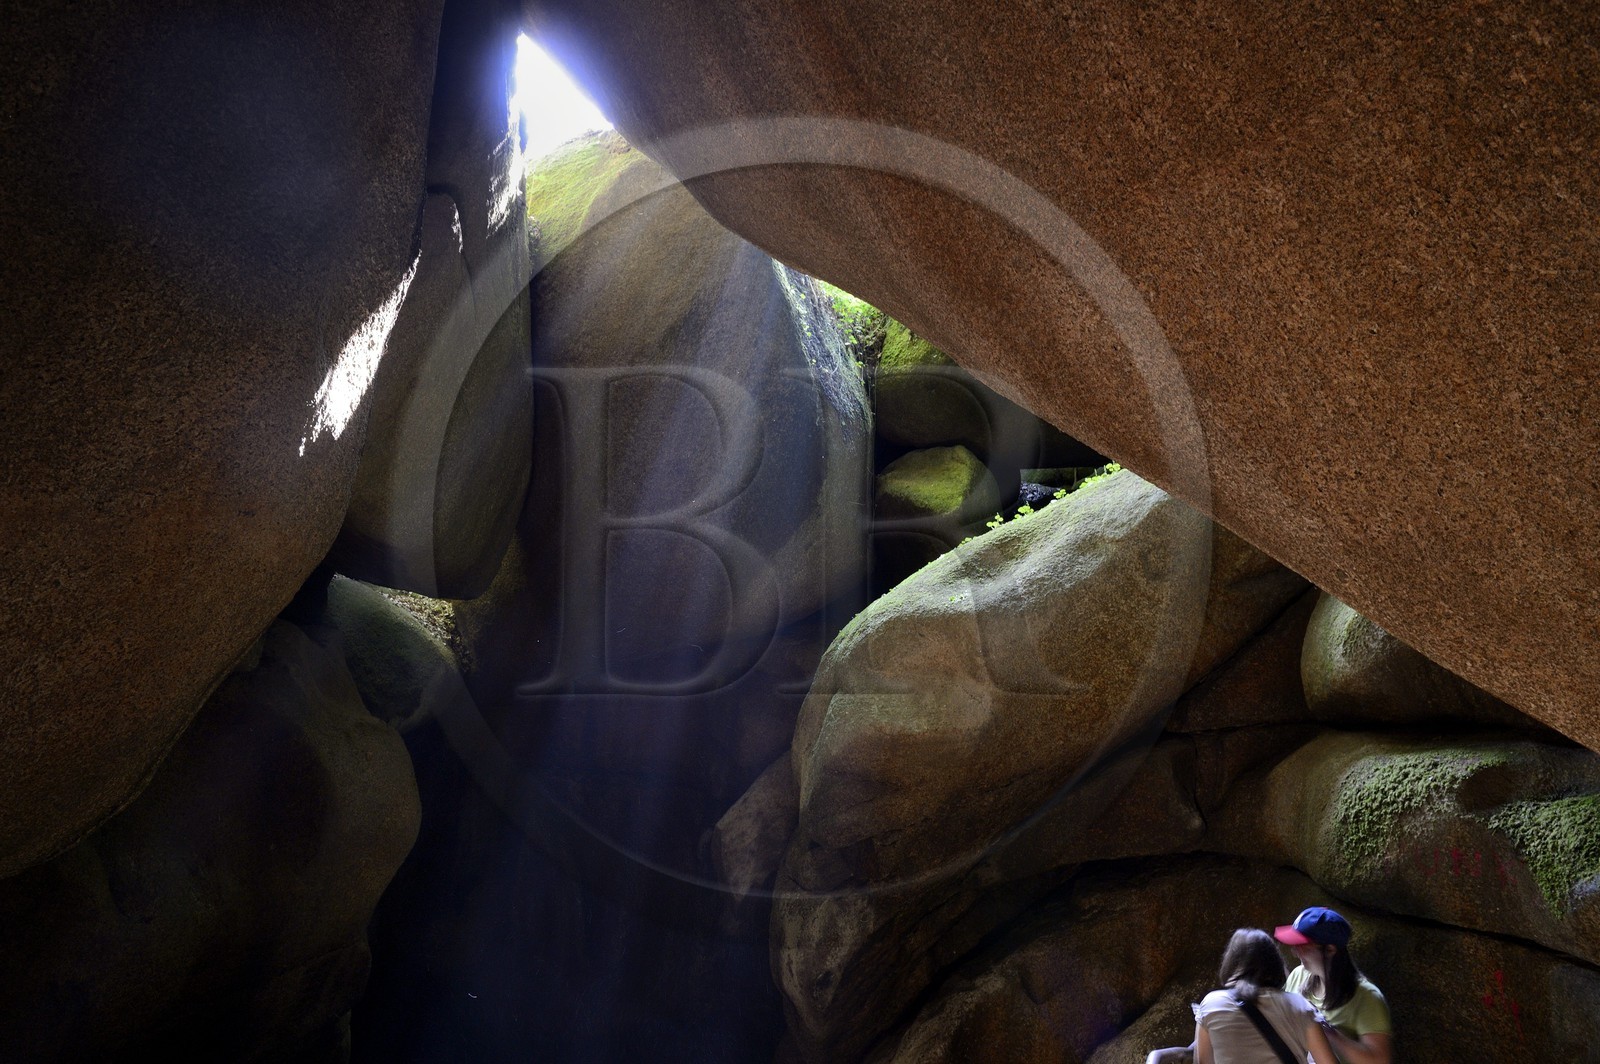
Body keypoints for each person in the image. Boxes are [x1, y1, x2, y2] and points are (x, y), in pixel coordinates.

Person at [1146, 929, 1337, 1064]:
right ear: (1275, 964)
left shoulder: (1211, 1003)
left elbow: (1203, 1062)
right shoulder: (1300, 1006)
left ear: (1232, 963)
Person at [1274, 907, 1392, 1064]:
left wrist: (1327, 1033)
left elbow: (1379, 1060)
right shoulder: (1298, 975)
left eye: (1302, 945)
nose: (1294, 952)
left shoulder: (1367, 997)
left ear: (1330, 949)